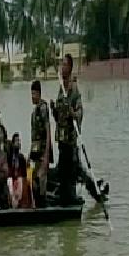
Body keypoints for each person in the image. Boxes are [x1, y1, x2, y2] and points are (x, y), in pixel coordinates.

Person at [50, 54, 83, 206]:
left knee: (71, 171)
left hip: (70, 139)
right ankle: (64, 198)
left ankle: (71, 198)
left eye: (64, 65)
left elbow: (80, 112)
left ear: (70, 68)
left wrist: (73, 113)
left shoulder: (73, 88)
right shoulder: (60, 88)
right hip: (61, 138)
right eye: (61, 65)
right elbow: (59, 116)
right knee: (62, 171)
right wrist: (54, 111)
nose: (62, 67)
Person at [30, 80, 53, 207]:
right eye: (31, 94)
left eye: (34, 94)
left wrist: (47, 154)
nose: (32, 97)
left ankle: (43, 205)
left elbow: (48, 129)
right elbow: (34, 136)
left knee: (41, 179)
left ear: (39, 93)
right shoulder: (34, 112)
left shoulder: (43, 108)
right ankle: (38, 204)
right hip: (36, 152)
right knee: (34, 179)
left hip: (43, 151)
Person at [7, 133, 27, 208]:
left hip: (19, 179)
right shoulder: (9, 157)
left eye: (19, 141)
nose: (18, 143)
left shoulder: (22, 158)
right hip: (11, 179)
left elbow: (24, 175)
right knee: (9, 181)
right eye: (16, 141)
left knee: (20, 180)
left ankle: (18, 203)